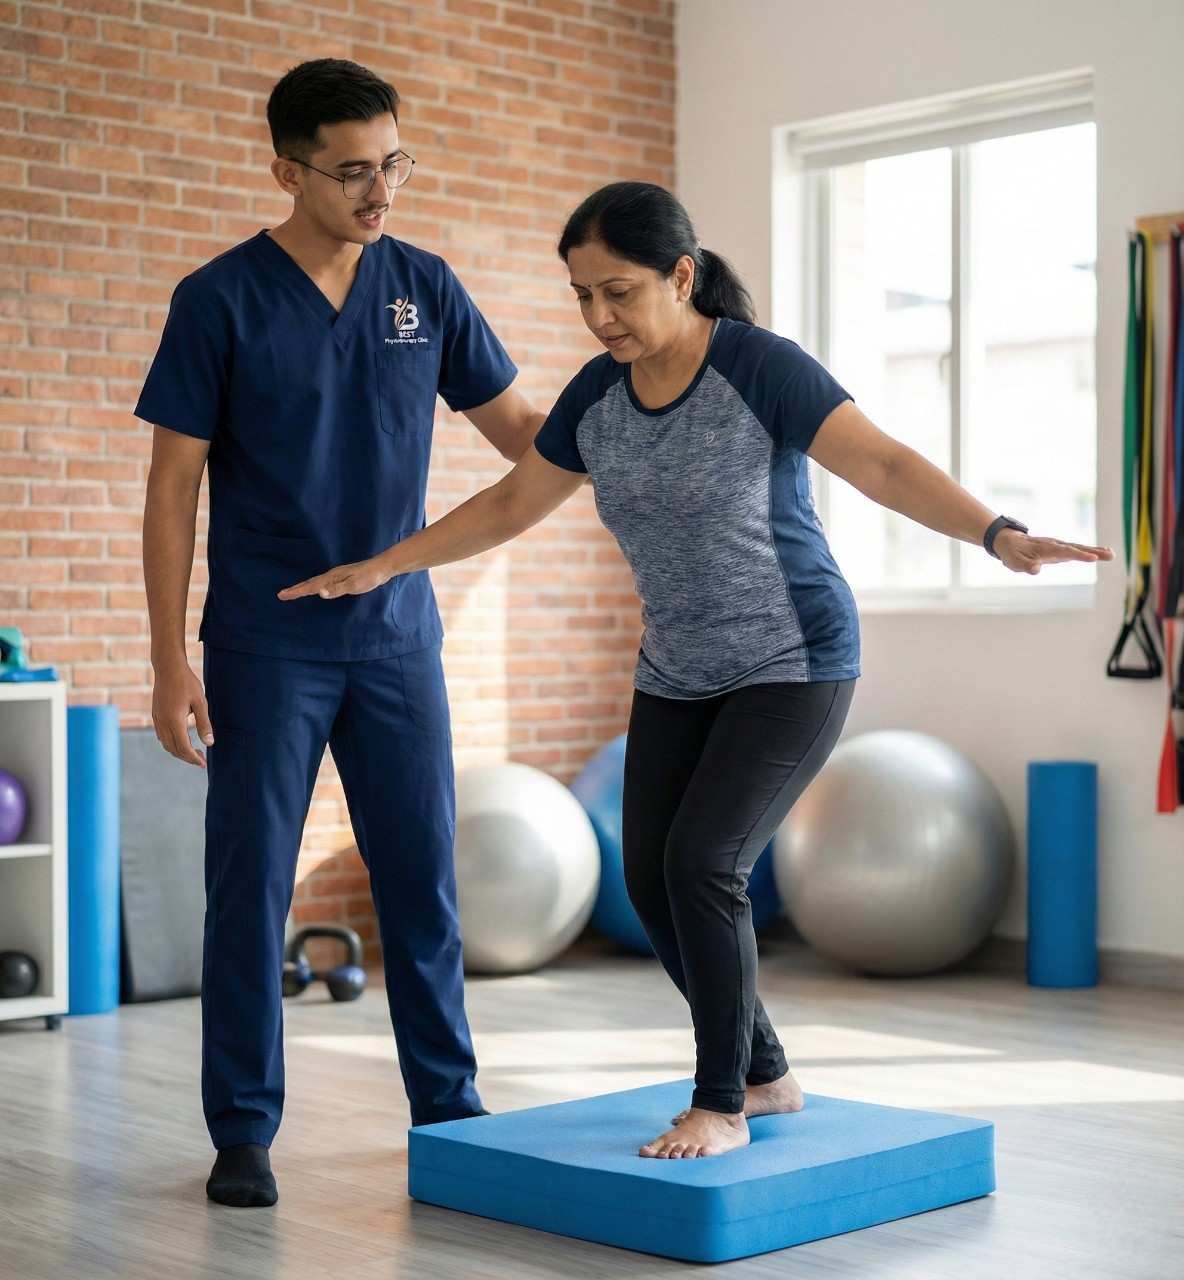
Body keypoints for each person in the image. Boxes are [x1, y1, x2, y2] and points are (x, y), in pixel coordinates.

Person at [279, 181, 1114, 1160]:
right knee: (647, 874)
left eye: (618, 292)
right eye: (581, 295)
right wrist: (387, 561)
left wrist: (995, 532)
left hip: (792, 659)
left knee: (702, 861)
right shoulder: (597, 396)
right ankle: (764, 1067)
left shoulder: (757, 368)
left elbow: (881, 464)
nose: (598, 317)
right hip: (676, 667)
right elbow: (511, 504)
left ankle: (719, 1100)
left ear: (681, 276)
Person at [136, 59, 549, 1207]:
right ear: (288, 168)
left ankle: (449, 1112)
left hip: (396, 640)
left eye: (393, 163)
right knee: (252, 881)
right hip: (266, 644)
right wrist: (171, 657)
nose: (381, 192)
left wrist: (643, 429)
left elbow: (521, 428)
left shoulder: (425, 284)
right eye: (354, 171)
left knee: (422, 876)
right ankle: (242, 1128)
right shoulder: (216, 298)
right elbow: (172, 489)